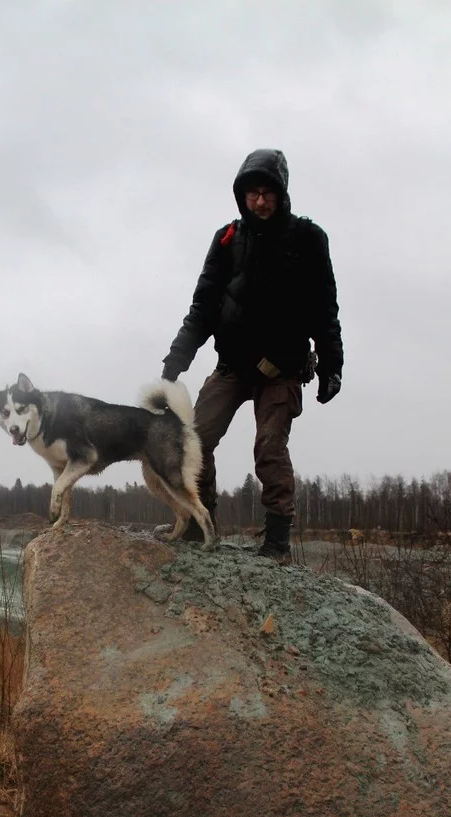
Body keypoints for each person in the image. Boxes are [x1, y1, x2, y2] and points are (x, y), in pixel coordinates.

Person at [161, 148, 343, 562]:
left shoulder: (308, 240)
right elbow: (203, 306)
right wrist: (175, 362)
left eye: (267, 192)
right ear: (241, 196)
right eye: (252, 193)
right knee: (195, 438)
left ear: (281, 194)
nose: (259, 201)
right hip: (233, 365)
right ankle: (198, 523)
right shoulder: (227, 240)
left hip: (282, 370)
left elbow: (324, 308)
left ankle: (277, 541)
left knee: (269, 447)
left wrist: (332, 365)